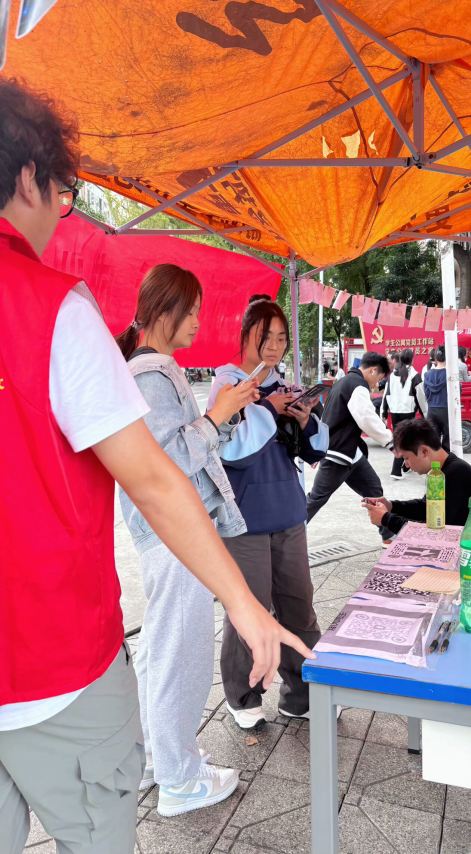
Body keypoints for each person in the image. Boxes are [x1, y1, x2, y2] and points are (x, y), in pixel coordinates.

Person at [0, 79, 313, 854]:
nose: (59, 214)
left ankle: (173, 766)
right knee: (172, 665)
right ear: (30, 177)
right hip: (54, 656)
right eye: (63, 195)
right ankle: (174, 771)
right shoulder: (54, 310)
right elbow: (155, 474)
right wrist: (245, 602)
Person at [115, 265, 259, 814]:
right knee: (181, 651)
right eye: (191, 310)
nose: (199, 321)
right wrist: (218, 415)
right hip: (176, 532)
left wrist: (224, 414)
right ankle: (178, 778)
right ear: (163, 310)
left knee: (162, 647)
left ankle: (157, 755)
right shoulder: (151, 374)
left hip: (169, 532)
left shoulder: (149, 370)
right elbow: (169, 463)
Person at [209, 298, 329, 728]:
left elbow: (316, 452)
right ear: (245, 336)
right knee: (250, 608)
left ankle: (302, 694)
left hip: (288, 512)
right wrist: (267, 409)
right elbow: (231, 450)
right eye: (266, 337)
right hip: (244, 519)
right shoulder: (227, 385)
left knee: (299, 606)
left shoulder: (284, 385)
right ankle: (242, 696)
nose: (275, 346)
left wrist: (305, 418)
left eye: (281, 338)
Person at [306, 352, 395, 544]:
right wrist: (390, 442)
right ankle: (285, 534)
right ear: (373, 371)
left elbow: (327, 417)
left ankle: (388, 535)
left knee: (373, 489)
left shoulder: (344, 381)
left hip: (350, 453)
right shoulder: (357, 385)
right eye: (379, 379)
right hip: (337, 453)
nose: (376, 385)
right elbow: (367, 418)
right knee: (316, 499)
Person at [363, 419, 471, 532]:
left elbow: (434, 532)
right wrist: (391, 506)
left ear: (424, 451)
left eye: (406, 458)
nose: (407, 465)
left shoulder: (453, 474)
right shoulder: (443, 469)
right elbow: (427, 507)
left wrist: (387, 519)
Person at [381, 349, 424, 479]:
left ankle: (405, 466)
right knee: (405, 440)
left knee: (400, 439)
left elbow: (386, 394)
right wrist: (424, 413)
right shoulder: (415, 375)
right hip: (408, 411)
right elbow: (420, 397)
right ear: (412, 360)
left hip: (394, 412)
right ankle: (396, 470)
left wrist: (383, 411)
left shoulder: (392, 375)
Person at [424, 344, 450, 452]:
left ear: (436, 358)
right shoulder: (450, 374)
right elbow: (458, 391)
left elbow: (426, 392)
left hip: (432, 409)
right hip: (445, 409)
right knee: (447, 442)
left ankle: (434, 461)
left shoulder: (428, 374)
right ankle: (446, 461)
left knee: (433, 443)